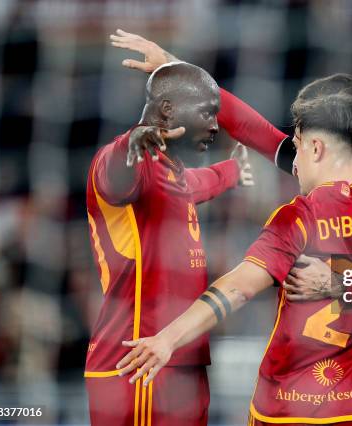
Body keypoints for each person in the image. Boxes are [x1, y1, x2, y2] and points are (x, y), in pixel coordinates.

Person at [115, 94, 352, 425]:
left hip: (286, 408)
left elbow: (239, 287)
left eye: (298, 147)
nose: (293, 165)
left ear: (317, 148)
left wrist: (167, 338)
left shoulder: (298, 217)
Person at [109, 30, 352, 299]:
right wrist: (170, 65)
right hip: (293, 371)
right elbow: (246, 125)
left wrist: (342, 282)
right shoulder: (310, 164)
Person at [85, 62, 253, 426]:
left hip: (181, 358)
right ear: (167, 109)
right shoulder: (132, 163)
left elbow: (201, 182)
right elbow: (112, 174)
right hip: (138, 363)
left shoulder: (172, 174)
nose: (214, 124)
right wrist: (131, 142)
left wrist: (233, 171)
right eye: (208, 112)